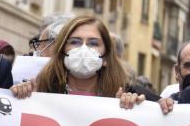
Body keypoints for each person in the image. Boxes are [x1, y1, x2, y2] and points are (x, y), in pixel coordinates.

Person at [10, 16, 145, 109]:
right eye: (75, 42)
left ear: (106, 58)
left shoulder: (123, 94)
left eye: (93, 43)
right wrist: (21, 97)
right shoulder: (41, 90)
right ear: (61, 51)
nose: (83, 49)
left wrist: (162, 104)